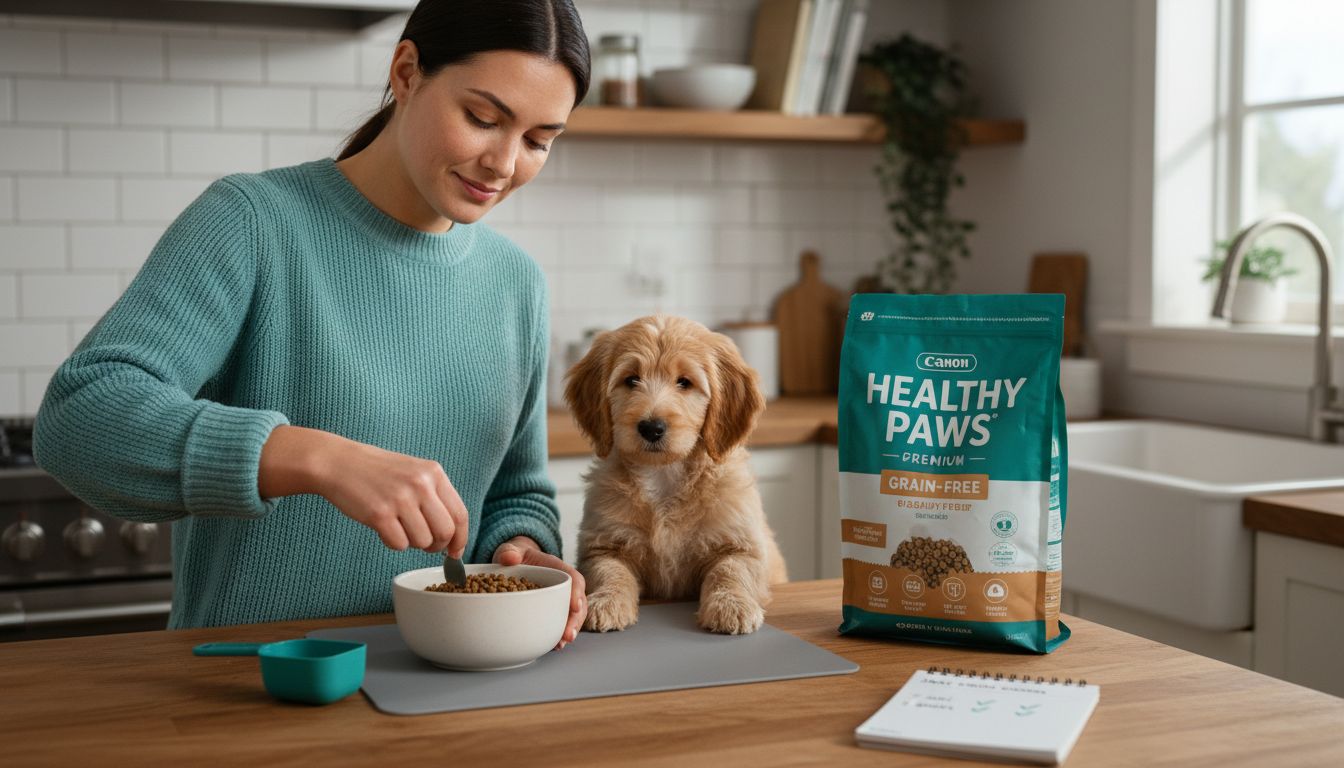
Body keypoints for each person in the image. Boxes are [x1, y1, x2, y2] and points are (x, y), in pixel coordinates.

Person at [32, 0, 590, 646]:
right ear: (406, 73)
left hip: (437, 691)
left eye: (538, 141)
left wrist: (523, 550)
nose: (504, 161)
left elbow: (517, 495)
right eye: (483, 118)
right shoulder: (252, 224)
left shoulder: (515, 285)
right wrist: (315, 457)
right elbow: (79, 418)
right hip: (250, 691)